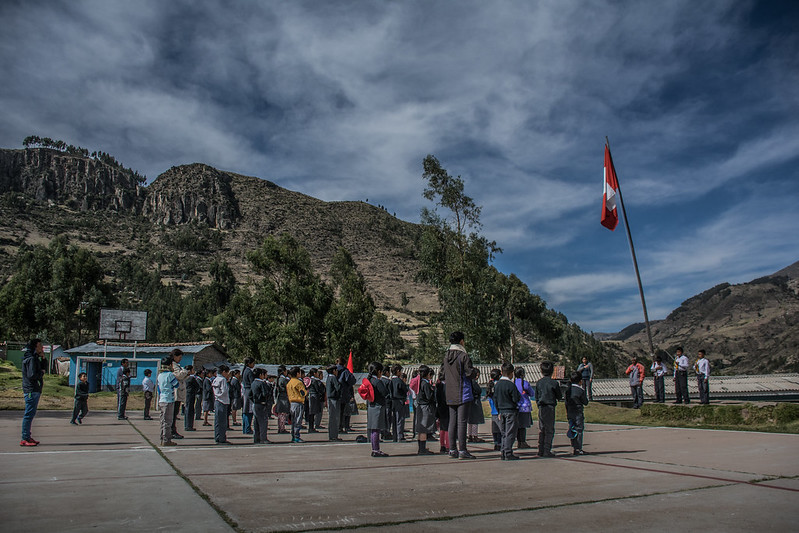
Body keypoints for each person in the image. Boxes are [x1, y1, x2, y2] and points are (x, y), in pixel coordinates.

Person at [440, 331, 476, 460]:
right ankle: (463, 450)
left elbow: (442, 374)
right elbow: (469, 373)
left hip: (449, 392)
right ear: (461, 341)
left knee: (452, 422)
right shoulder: (463, 356)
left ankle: (452, 449)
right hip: (463, 392)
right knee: (462, 422)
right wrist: (475, 372)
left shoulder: (446, 356)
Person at [494, 362, 522, 460]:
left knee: (503, 433)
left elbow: (495, 399)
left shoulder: (497, 385)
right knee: (510, 432)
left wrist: (498, 411)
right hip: (510, 411)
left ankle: (503, 451)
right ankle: (508, 452)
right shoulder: (511, 385)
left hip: (501, 411)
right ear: (511, 373)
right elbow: (516, 398)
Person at [21, 339, 46, 446]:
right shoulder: (31, 359)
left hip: (34, 389)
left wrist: (43, 358)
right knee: (28, 414)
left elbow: (43, 367)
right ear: (35, 347)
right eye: (40, 345)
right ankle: (25, 438)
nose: (42, 348)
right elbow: (32, 375)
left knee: (30, 414)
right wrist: (41, 373)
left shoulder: (34, 358)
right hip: (31, 389)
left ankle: (27, 436)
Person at [535, 360, 562, 457]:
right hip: (550, 406)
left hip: (541, 407)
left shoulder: (539, 383)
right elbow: (559, 396)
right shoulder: (554, 383)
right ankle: (547, 450)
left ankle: (540, 449)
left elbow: (536, 396)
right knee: (549, 429)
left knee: (542, 429)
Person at [366, 362, 390, 457]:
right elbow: (384, 392)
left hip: (371, 405)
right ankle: (376, 450)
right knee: (376, 429)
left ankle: (374, 448)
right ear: (379, 371)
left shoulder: (369, 380)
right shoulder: (377, 381)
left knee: (373, 429)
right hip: (378, 406)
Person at [156, 356, 179, 447]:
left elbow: (158, 388)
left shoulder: (160, 375)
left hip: (162, 399)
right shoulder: (170, 375)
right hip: (169, 399)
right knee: (168, 421)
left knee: (163, 420)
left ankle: (163, 438)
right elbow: (176, 384)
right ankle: (166, 439)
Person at [414, 365, 437, 455]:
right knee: (424, 429)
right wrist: (433, 390)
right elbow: (429, 396)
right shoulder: (426, 384)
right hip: (425, 407)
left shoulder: (420, 383)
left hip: (420, 406)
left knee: (421, 429)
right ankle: (422, 450)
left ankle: (421, 448)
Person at [566, 371, 589, 455]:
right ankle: (578, 448)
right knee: (579, 429)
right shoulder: (580, 390)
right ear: (580, 381)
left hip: (570, 411)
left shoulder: (568, 390)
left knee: (572, 428)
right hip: (578, 412)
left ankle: (574, 445)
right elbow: (585, 402)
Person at [514, 367, 535, 448]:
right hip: (524, 407)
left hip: (516, 406)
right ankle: (522, 441)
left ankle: (519, 441)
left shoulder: (513, 383)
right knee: (523, 426)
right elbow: (532, 393)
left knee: (518, 425)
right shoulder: (525, 383)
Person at [170, 349, 188, 440]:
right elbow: (179, 375)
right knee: (173, 413)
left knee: (175, 413)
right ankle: (172, 430)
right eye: (179, 357)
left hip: (178, 391)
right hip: (175, 392)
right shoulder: (173, 366)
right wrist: (185, 371)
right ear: (174, 356)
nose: (180, 359)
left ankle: (173, 429)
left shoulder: (177, 365)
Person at [335, 357, 357, 433]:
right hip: (343, 393)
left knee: (335, 412)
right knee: (342, 412)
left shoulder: (333, 369)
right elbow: (351, 380)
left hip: (334, 394)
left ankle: (335, 427)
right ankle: (340, 427)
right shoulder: (345, 371)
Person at [287, 366, 307, 443]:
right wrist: (306, 392)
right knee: (298, 420)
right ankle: (296, 436)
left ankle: (293, 436)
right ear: (298, 373)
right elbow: (302, 393)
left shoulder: (289, 382)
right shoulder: (298, 382)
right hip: (298, 402)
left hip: (291, 403)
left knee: (293, 421)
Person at [250, 368, 271, 444]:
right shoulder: (262, 383)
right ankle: (263, 438)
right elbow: (265, 393)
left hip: (255, 404)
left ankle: (256, 438)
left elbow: (250, 395)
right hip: (261, 404)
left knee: (256, 422)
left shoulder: (253, 383)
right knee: (263, 422)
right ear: (260, 375)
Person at [389, 364, 409, 441]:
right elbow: (405, 389)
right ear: (398, 371)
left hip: (393, 401)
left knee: (394, 419)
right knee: (400, 419)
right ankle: (400, 436)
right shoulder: (399, 381)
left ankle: (395, 436)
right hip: (400, 401)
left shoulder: (391, 381)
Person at [212, 365, 231, 444]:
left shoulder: (216, 379)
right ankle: (222, 438)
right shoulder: (223, 380)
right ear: (223, 372)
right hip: (222, 401)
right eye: (227, 373)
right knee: (222, 422)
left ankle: (217, 437)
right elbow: (224, 391)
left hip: (217, 400)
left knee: (217, 421)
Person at [467, 369, 485, 443]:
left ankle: (470, 435)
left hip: (469, 402)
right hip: (475, 401)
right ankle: (474, 435)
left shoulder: (468, 382)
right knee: (475, 420)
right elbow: (478, 390)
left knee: (470, 420)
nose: (477, 377)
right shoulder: (473, 383)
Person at [486, 368, 502, 450]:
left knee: (495, 429)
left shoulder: (490, 385)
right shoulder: (499, 385)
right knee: (500, 429)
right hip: (499, 410)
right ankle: (500, 443)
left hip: (493, 411)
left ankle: (496, 443)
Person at [325, 365, 342, 441]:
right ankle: (334, 436)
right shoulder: (333, 378)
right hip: (334, 399)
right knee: (335, 418)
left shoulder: (328, 378)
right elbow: (338, 388)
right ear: (334, 371)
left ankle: (332, 435)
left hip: (330, 399)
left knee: (332, 417)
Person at [435, 372, 450, 454]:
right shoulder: (446, 386)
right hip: (446, 407)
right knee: (447, 428)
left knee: (442, 428)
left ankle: (442, 445)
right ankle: (448, 445)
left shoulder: (438, 386)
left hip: (440, 408)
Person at [240, 357, 256, 435]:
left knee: (245, 410)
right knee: (249, 411)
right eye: (253, 363)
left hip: (246, 391)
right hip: (249, 391)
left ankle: (245, 428)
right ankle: (247, 428)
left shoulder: (244, 371)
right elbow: (252, 382)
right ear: (249, 364)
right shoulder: (249, 372)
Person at [307, 368, 325, 433]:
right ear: (314, 373)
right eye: (317, 373)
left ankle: (311, 427)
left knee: (311, 412)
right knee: (312, 412)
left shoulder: (309, 380)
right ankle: (311, 428)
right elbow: (318, 389)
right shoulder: (314, 381)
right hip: (314, 396)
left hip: (310, 396)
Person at [273, 365, 290, 434]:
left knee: (281, 415)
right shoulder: (283, 380)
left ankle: (281, 428)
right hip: (284, 398)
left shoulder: (278, 379)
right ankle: (282, 428)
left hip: (280, 398)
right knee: (283, 414)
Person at [183, 365, 198, 431]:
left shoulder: (183, 378)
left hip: (186, 394)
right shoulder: (191, 378)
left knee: (187, 409)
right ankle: (189, 425)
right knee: (190, 410)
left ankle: (187, 425)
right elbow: (197, 386)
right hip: (190, 395)